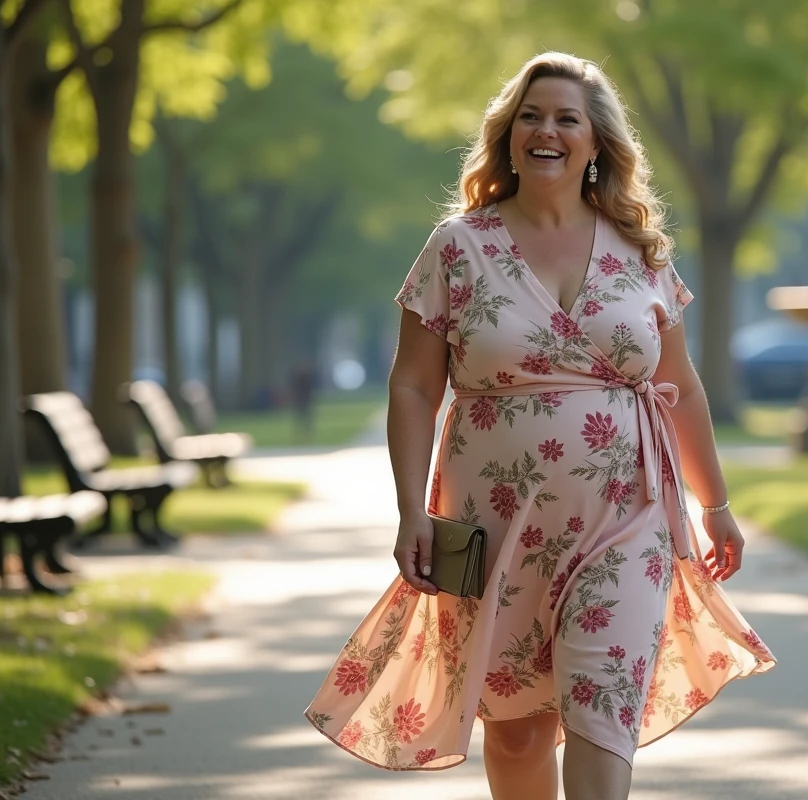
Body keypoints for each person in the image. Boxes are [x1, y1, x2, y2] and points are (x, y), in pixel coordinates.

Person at [304, 52, 775, 800]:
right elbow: (414, 385)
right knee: (517, 725)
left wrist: (714, 506)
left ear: (596, 144)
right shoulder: (458, 248)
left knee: (600, 710)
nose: (545, 130)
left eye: (566, 118)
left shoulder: (641, 252)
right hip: (493, 526)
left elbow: (679, 386)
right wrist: (408, 513)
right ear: (508, 135)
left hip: (627, 520)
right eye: (530, 115)